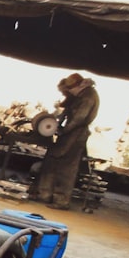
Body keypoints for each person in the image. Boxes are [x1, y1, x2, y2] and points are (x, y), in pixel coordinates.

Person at [32, 73, 100, 210]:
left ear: (78, 86)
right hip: (70, 132)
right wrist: (58, 122)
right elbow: (67, 111)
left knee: (66, 168)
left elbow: (79, 118)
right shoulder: (80, 95)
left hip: (77, 134)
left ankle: (62, 201)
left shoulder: (88, 97)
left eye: (69, 90)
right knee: (52, 160)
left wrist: (63, 130)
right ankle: (44, 194)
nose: (68, 93)